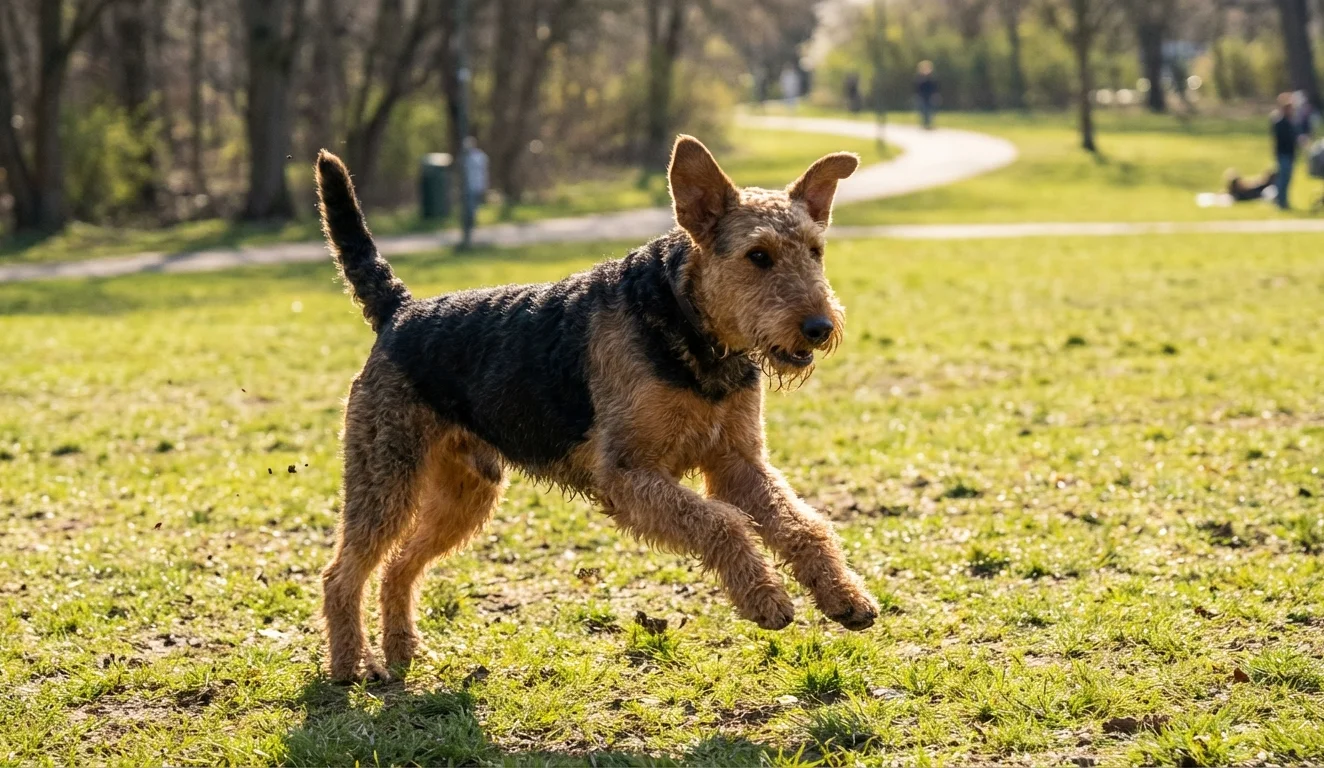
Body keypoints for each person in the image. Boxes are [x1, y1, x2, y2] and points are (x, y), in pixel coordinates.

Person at [1272, 93, 1300, 210]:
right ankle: (1280, 201)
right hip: (1283, 154)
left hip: (1290, 154)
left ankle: (1282, 201)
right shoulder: (1279, 122)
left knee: (1287, 179)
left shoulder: (1290, 121)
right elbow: (1284, 138)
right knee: (1283, 179)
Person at [462, 136, 488, 221]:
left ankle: (472, 217)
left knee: (475, 202)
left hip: (477, 182)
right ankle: (470, 217)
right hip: (468, 183)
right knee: (470, 202)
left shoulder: (479, 156)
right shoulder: (464, 157)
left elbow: (484, 169)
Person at [915, 61, 939, 129]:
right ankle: (924, 123)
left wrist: (936, 95)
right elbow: (917, 88)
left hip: (930, 96)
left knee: (931, 111)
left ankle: (929, 123)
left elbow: (935, 87)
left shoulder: (932, 78)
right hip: (922, 96)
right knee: (923, 111)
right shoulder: (919, 78)